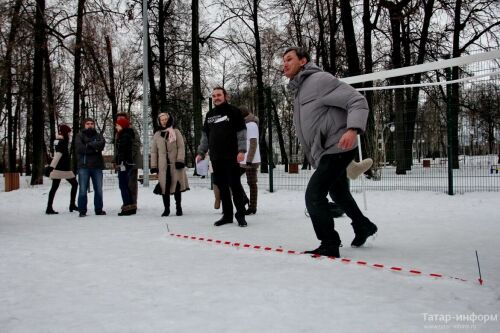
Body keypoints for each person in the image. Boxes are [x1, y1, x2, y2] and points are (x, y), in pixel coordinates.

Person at [283, 46, 377, 257]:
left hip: (338, 146)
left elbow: (357, 100)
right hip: (326, 150)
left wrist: (353, 129)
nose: (285, 64)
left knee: (314, 195)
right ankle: (363, 225)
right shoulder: (299, 90)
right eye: (283, 61)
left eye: (289, 59)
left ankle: (329, 243)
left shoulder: (319, 81)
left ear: (303, 61)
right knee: (339, 192)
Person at [196, 87, 248, 227]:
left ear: (225, 96)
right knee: (222, 187)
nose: (216, 98)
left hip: (232, 156)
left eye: (219, 95)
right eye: (213, 96)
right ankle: (227, 215)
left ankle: (241, 215)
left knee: (235, 186)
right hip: (216, 157)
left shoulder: (234, 111)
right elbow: (205, 136)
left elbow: (242, 132)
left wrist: (242, 150)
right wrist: (201, 152)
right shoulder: (209, 115)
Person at [150, 112, 189, 217]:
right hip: (163, 167)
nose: (164, 121)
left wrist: (180, 160)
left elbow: (181, 147)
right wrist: (154, 166)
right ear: (159, 121)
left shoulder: (176, 132)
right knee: (164, 188)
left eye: (165, 119)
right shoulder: (157, 134)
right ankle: (166, 209)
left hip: (175, 165)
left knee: (177, 187)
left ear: (169, 120)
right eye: (162, 119)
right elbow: (154, 152)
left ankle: (178, 208)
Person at [75, 117, 106, 217]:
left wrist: (88, 145)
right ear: (84, 125)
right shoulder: (79, 135)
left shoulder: (99, 135)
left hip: (97, 167)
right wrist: (94, 149)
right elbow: (80, 148)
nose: (90, 125)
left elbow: (101, 145)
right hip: (84, 167)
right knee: (83, 189)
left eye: (91, 123)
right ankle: (82, 211)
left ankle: (98, 209)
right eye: (88, 123)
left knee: (99, 190)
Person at [44, 124, 78, 214]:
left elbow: (55, 154)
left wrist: (52, 167)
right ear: (65, 133)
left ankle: (49, 207)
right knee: (74, 184)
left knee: (54, 188)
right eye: (69, 133)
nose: (70, 135)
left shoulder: (57, 141)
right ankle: (72, 205)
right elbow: (58, 154)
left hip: (61, 168)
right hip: (62, 168)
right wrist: (51, 167)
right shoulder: (61, 141)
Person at [115, 112, 142, 213]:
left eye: (121, 118)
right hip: (123, 161)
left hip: (130, 161)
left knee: (131, 183)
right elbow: (118, 148)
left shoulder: (130, 131)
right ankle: (128, 203)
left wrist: (130, 157)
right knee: (125, 183)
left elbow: (136, 144)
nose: (119, 120)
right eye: (118, 119)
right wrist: (115, 159)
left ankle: (132, 203)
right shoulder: (119, 131)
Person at [239, 107, 260, 215]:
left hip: (250, 160)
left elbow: (253, 143)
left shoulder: (251, 125)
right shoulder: (244, 124)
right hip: (242, 159)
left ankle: (252, 207)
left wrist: (249, 160)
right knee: (232, 178)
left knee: (251, 183)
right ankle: (244, 199)